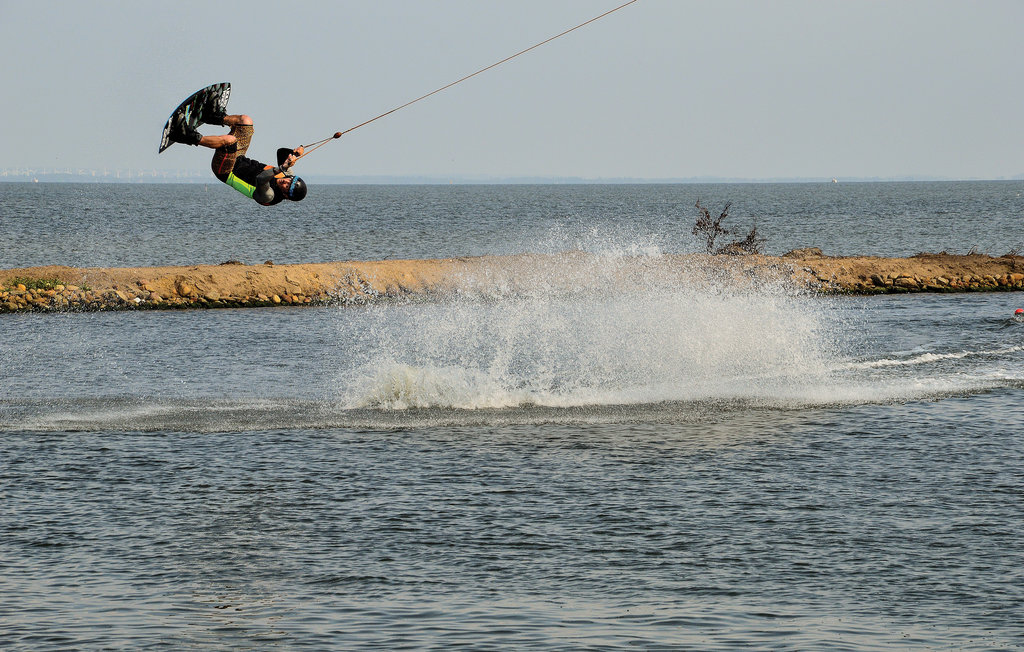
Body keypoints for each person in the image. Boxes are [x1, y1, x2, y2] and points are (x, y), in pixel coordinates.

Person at [169, 112, 307, 205]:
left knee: (230, 141)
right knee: (245, 121)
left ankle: (185, 136)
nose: (285, 181)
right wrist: (295, 153)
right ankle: (212, 115)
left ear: (286, 196)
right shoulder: (287, 174)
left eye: (287, 186)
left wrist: (283, 167)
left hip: (226, 171)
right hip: (239, 156)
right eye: (289, 180)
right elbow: (281, 152)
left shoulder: (270, 196)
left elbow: (261, 179)